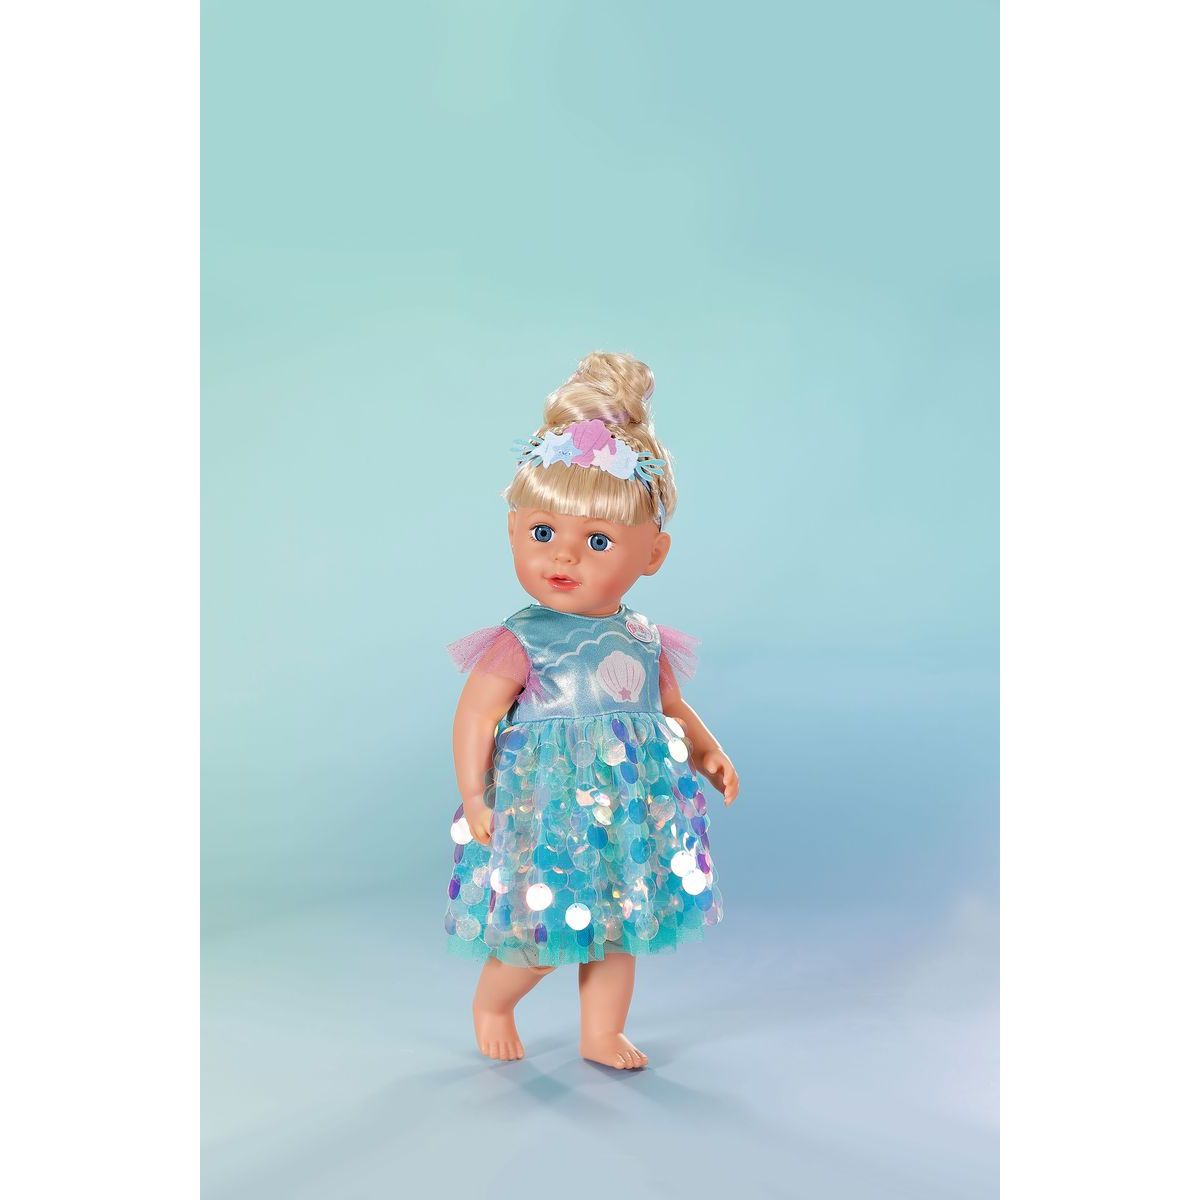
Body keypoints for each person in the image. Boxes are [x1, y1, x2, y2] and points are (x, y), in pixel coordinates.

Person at [444, 350, 739, 1070]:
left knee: (617, 931)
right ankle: (493, 1003)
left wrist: (707, 750)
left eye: (598, 541)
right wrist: (475, 795)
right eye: (543, 533)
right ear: (514, 531)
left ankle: (601, 1033)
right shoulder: (523, 640)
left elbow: (669, 706)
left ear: (653, 554)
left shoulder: (643, 637)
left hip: (625, 814)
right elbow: (476, 717)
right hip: (545, 814)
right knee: (541, 932)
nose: (564, 557)